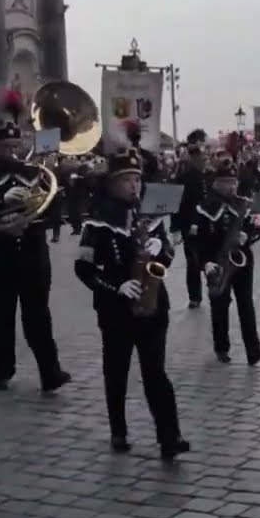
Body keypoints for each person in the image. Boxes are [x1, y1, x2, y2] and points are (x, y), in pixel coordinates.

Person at [74, 147, 189, 460]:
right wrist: (116, 286)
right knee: (117, 370)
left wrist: (161, 248)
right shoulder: (96, 223)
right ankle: (118, 429)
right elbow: (83, 269)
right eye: (126, 180)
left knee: (156, 372)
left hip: (153, 305)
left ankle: (170, 435)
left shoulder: (149, 216)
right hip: (116, 309)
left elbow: (167, 253)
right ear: (112, 183)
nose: (134, 186)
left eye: (137, 179)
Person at [0, 90, 71, 393]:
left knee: (39, 316)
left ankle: (51, 372)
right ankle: (1, 370)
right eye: (4, 146)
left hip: (33, 253)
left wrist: (37, 208)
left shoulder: (33, 171)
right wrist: (1, 204)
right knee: (1, 315)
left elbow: (51, 206)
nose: (11, 152)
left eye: (14, 145)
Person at [191, 158, 260, 364]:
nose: (232, 186)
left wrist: (247, 235)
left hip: (242, 260)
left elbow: (256, 226)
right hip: (217, 262)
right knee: (220, 306)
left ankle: (254, 349)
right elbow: (196, 240)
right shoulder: (204, 208)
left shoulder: (243, 203)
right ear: (216, 183)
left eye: (234, 182)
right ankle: (221, 347)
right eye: (227, 182)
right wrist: (204, 263)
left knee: (246, 304)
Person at [171, 130, 209, 308]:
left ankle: (217, 290)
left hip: (207, 222)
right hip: (189, 224)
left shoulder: (207, 174)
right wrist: (175, 228)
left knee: (211, 257)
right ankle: (195, 296)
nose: (204, 159)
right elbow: (175, 201)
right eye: (201, 156)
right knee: (193, 262)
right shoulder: (184, 175)